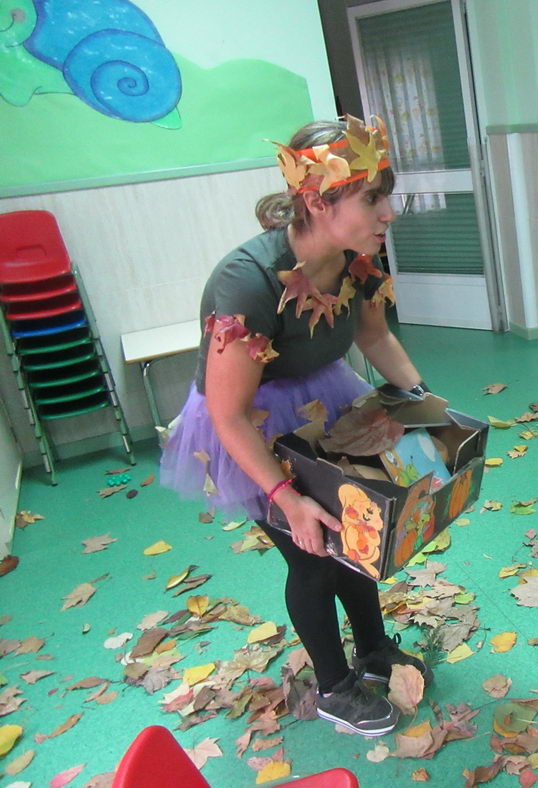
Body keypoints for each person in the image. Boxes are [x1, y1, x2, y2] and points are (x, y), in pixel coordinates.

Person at [160, 116, 431, 737]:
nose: (389, 212)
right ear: (316, 200)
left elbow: (374, 335)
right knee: (312, 556)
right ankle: (336, 688)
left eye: (390, 194)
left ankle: (373, 651)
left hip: (325, 402)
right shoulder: (246, 283)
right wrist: (287, 498)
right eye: (373, 198)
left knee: (356, 545)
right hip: (252, 427)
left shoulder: (356, 260)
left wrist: (422, 404)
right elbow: (227, 414)